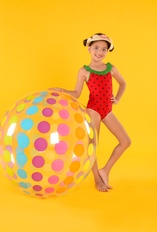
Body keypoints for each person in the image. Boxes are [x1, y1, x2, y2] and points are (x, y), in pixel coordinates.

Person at [53, 33, 131, 192]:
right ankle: (97, 179)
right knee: (93, 146)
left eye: (104, 49)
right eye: (96, 48)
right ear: (89, 48)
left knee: (125, 141)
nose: (99, 52)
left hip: (107, 110)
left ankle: (105, 170)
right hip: (93, 109)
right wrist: (61, 91)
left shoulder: (111, 68)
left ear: (107, 51)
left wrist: (117, 98)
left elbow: (123, 83)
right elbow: (76, 93)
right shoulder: (84, 71)